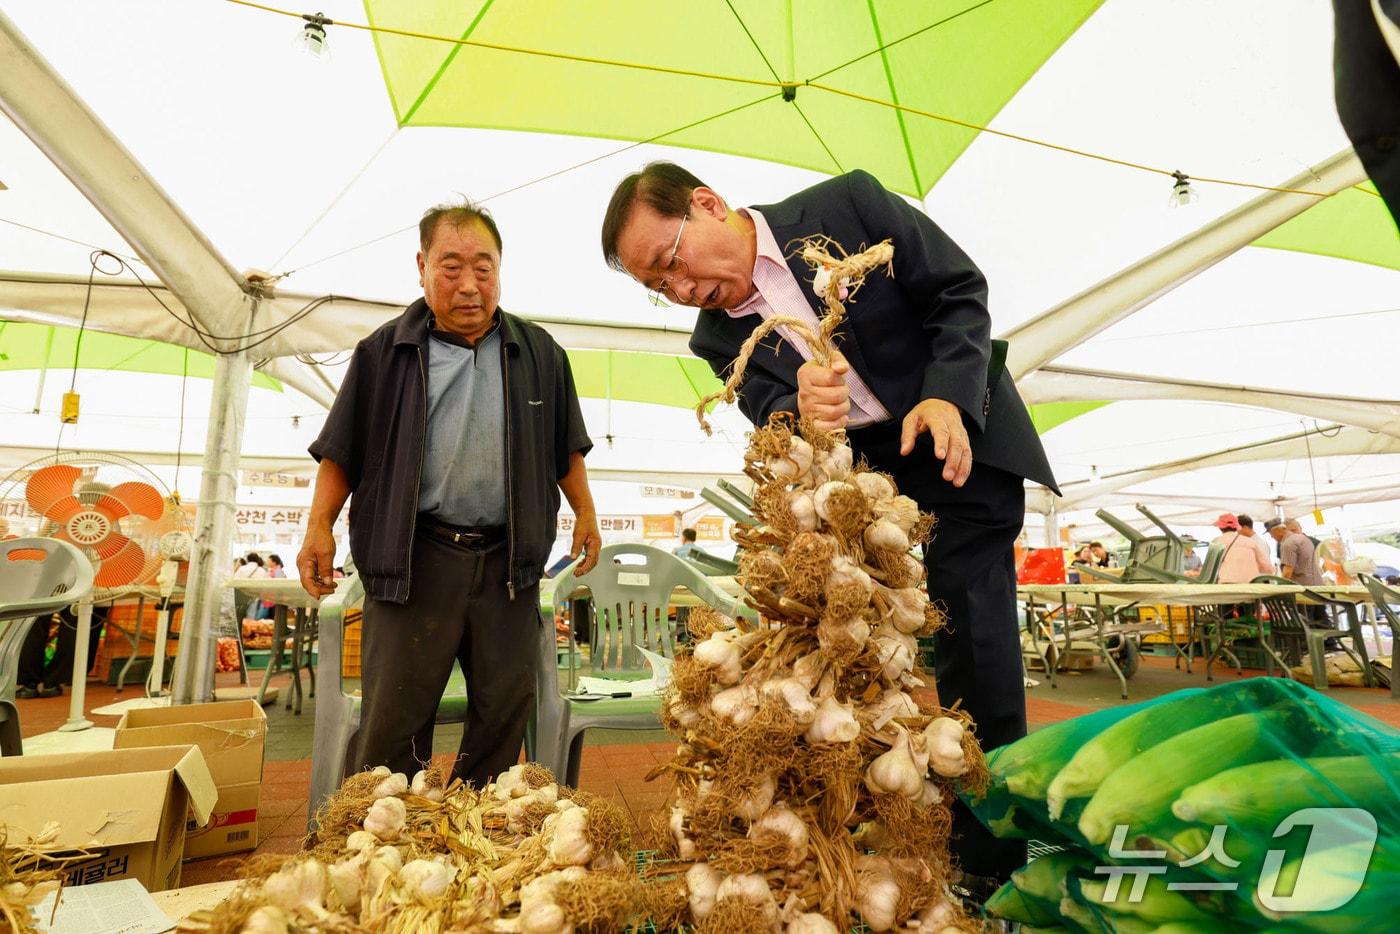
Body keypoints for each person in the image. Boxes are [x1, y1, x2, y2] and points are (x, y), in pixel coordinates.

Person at [600, 162, 1058, 888]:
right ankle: (862, 856)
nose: (681, 291)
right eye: (659, 288)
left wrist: (945, 397)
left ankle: (991, 871)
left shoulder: (847, 205)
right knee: (852, 668)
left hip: (954, 454)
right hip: (861, 499)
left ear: (708, 205)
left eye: (671, 262)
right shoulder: (715, 339)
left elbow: (959, 294)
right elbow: (769, 426)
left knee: (977, 656)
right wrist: (800, 415)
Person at [299, 199, 601, 788]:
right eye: (451, 266)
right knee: (395, 719)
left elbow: (567, 448)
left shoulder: (540, 353)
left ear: (500, 271)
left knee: (502, 711)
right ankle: (382, 832)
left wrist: (586, 512)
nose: (469, 284)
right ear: (421, 266)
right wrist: (318, 527)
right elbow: (342, 453)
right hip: (415, 558)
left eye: (483, 268)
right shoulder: (383, 354)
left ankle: (472, 833)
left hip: (507, 564)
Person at [1210, 514, 1272, 584]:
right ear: (1236, 527)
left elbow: (1210, 567)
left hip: (1227, 583)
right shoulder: (1251, 542)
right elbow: (1268, 568)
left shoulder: (1216, 542)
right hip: (1251, 584)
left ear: (1220, 528)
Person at [1266, 518, 1325, 586]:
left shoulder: (1287, 544)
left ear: (1278, 531)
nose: (1272, 537)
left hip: (1303, 588)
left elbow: (1287, 572)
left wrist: (1280, 587)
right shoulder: (1303, 538)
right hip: (1317, 583)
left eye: (1272, 534)